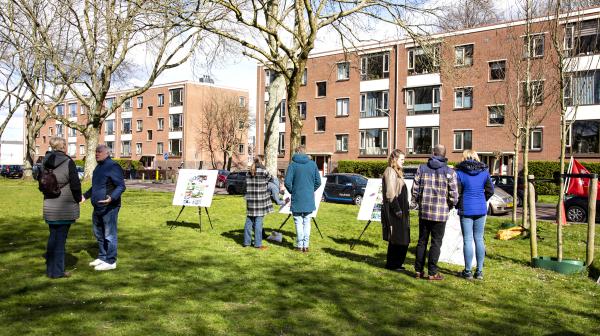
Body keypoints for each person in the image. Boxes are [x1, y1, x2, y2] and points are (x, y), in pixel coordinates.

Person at [411, 144, 459, 280]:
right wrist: (449, 205)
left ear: (433, 153)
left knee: (422, 241)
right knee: (436, 243)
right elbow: (454, 196)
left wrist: (418, 201)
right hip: (440, 213)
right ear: (444, 155)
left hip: (424, 211)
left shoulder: (422, 168)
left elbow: (415, 189)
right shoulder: (450, 172)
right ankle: (432, 273)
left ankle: (418, 271)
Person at [41, 137, 82, 279]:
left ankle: (50, 270)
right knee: (60, 240)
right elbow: (75, 184)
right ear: (63, 147)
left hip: (49, 206)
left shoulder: (45, 161)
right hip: (65, 206)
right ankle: (57, 272)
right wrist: (79, 198)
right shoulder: (68, 161)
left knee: (53, 237)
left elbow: (40, 182)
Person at [82, 144, 126, 271]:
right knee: (98, 233)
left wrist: (111, 198)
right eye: (96, 152)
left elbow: (121, 186)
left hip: (110, 206)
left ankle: (111, 261)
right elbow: (96, 187)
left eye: (99, 151)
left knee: (109, 235)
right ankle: (102, 257)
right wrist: (85, 196)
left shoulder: (113, 166)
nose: (97, 154)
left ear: (107, 153)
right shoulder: (98, 168)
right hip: (97, 206)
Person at [455, 150, 494, 280]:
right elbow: (490, 190)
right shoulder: (484, 172)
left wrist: (458, 204)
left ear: (464, 158)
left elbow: (457, 193)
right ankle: (480, 271)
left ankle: (467, 271)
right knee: (479, 239)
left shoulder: (459, 172)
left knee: (467, 239)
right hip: (481, 208)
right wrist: (482, 199)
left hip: (466, 208)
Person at [284, 145, 321, 252]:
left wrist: (293, 191)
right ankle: (306, 245)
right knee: (307, 222)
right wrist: (310, 190)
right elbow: (318, 182)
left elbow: (287, 182)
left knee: (298, 221)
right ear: (305, 152)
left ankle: (300, 245)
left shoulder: (292, 165)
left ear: (296, 152)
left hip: (297, 198)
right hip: (309, 198)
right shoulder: (313, 164)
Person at [381, 149, 410, 271]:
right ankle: (393, 264)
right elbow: (390, 192)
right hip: (395, 210)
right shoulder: (390, 171)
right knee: (396, 237)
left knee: (401, 237)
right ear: (395, 159)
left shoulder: (397, 172)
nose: (403, 161)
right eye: (401, 159)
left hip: (401, 210)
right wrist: (397, 209)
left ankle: (397, 263)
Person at [244, 157, 273, 249]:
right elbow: (271, 178)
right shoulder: (264, 171)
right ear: (261, 161)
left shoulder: (248, 172)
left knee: (249, 221)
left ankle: (246, 242)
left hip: (250, 200)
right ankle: (258, 244)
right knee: (258, 222)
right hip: (260, 200)